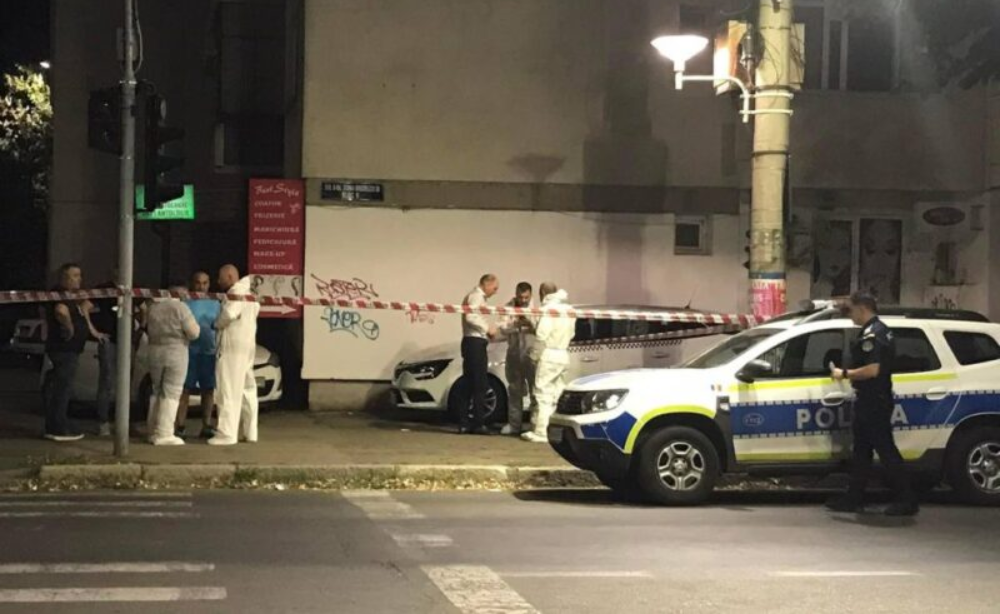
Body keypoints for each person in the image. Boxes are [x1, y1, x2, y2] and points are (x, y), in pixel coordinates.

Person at [826, 292, 919, 516]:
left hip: (874, 400)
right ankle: (854, 498)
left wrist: (844, 373)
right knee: (862, 452)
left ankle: (907, 499)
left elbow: (873, 370)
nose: (849, 315)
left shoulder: (874, 334)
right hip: (869, 399)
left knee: (886, 451)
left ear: (862, 308)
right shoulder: (877, 331)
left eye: (850, 310)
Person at [41, 263, 97, 441]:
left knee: (61, 388)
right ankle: (58, 429)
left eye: (79, 275)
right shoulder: (60, 293)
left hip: (68, 349)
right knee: (62, 390)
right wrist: (70, 327)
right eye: (75, 275)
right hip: (64, 349)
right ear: (64, 278)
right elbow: (61, 311)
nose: (79, 279)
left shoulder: (71, 296)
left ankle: (56, 425)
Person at [209, 264, 261, 446]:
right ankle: (250, 432)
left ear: (230, 276)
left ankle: (227, 433)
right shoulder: (251, 292)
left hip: (232, 347)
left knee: (228, 389)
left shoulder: (236, 292)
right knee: (247, 390)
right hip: (247, 345)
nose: (218, 281)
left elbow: (229, 314)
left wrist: (217, 324)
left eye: (221, 277)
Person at [145, 282, 200, 445]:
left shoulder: (153, 307)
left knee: (156, 390)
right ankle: (164, 433)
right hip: (176, 351)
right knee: (172, 392)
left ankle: (152, 430)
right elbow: (194, 332)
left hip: (154, 351)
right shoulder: (181, 308)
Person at [523, 282, 575, 443]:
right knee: (556, 394)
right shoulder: (569, 309)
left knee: (543, 394)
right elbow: (572, 333)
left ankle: (541, 432)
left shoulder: (547, 310)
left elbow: (542, 335)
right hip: (564, 354)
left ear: (542, 293)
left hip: (550, 354)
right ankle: (555, 431)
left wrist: (534, 355)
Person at [175, 271, 221, 439]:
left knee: (208, 390)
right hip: (189, 352)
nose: (201, 286)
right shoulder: (185, 302)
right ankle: (180, 426)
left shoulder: (216, 302)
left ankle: (206, 425)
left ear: (209, 284)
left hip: (209, 352)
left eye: (205, 283)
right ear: (192, 284)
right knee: (184, 390)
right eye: (198, 283)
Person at [460, 274, 500, 435]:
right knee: (479, 384)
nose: (495, 292)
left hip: (471, 342)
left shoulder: (474, 296)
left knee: (469, 383)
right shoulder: (476, 296)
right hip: (475, 343)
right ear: (487, 284)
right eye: (495, 288)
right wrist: (487, 328)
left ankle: (464, 423)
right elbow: (471, 317)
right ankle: (477, 423)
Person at [500, 282, 536, 436]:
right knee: (515, 390)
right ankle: (514, 425)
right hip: (514, 353)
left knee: (535, 390)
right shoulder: (508, 307)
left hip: (531, 354)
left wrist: (529, 321)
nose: (523, 300)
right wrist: (515, 324)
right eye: (521, 297)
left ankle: (535, 425)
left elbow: (541, 328)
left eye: (526, 297)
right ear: (516, 294)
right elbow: (502, 328)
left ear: (531, 295)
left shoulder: (536, 308)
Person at [89, 272, 119, 437]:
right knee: (107, 381)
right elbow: (85, 307)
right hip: (109, 341)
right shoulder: (104, 289)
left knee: (124, 383)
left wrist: (139, 329)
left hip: (126, 342)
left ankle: (121, 423)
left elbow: (144, 307)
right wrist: (95, 332)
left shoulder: (132, 287)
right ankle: (103, 422)